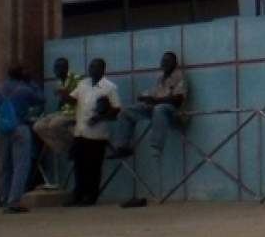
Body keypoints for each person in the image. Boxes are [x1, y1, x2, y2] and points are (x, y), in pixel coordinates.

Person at [0, 62, 45, 214]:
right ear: (22, 75)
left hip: (1, 130)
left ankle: (5, 198)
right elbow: (41, 99)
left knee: (5, 166)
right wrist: (31, 82)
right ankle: (14, 201)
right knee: (21, 165)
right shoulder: (25, 89)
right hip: (20, 127)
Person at [62, 58, 120, 206]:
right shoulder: (83, 84)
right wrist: (64, 94)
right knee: (79, 165)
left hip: (97, 133)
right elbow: (73, 100)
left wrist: (101, 117)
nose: (91, 70)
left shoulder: (109, 87)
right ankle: (78, 195)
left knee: (93, 167)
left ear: (102, 69)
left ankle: (91, 196)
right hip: (80, 131)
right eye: (90, 67)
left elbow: (116, 108)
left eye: (95, 67)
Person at [109, 51, 186, 158]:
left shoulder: (179, 77)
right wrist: (144, 97)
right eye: (163, 61)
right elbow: (154, 94)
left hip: (174, 112)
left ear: (175, 63)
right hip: (157, 110)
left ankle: (157, 146)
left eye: (168, 61)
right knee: (126, 110)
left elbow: (178, 98)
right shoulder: (160, 77)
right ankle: (121, 146)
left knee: (160, 108)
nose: (165, 63)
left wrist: (155, 100)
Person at [32, 56, 81, 187]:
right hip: (62, 111)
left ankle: (73, 146)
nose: (57, 71)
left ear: (66, 68)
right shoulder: (60, 81)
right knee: (38, 126)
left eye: (60, 68)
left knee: (55, 124)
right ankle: (63, 148)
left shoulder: (76, 79)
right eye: (55, 68)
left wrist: (64, 94)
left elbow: (77, 100)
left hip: (74, 111)